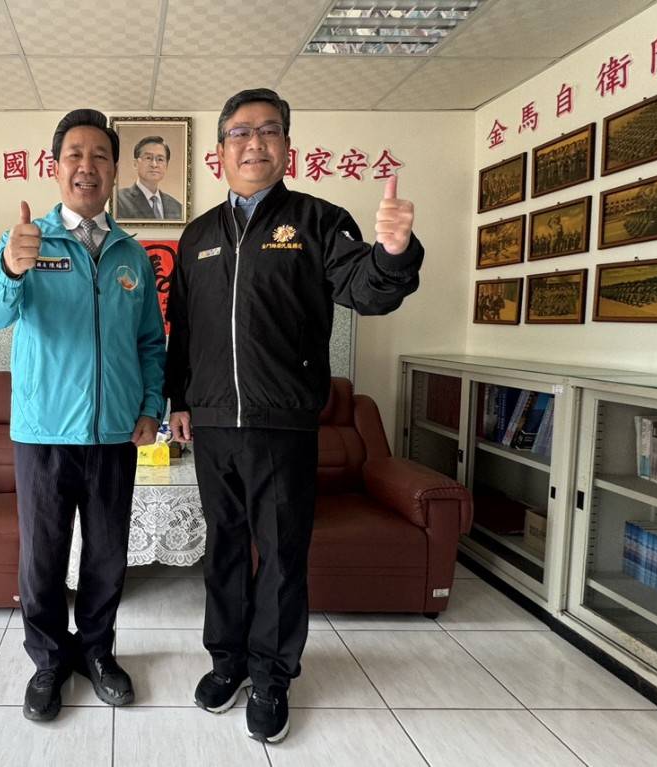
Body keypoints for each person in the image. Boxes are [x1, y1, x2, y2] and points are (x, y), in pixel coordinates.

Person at [164, 88, 423, 744]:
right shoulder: (197, 236)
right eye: (240, 132)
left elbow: (365, 289)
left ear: (286, 147)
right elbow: (183, 329)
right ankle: (227, 662)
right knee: (223, 549)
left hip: (283, 423)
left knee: (280, 554)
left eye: (269, 130)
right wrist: (178, 400)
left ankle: (272, 675)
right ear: (219, 151)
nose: (254, 142)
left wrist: (393, 253)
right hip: (213, 423)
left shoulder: (318, 221)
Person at [0, 109, 166, 723]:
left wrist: (150, 408)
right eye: (75, 155)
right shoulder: (29, 242)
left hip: (114, 435)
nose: (87, 166)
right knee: (43, 558)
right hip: (44, 433)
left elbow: (151, 343)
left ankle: (98, 652)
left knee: (108, 556)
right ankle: (50, 661)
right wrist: (8, 266)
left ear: (114, 170)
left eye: (100, 155)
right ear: (55, 169)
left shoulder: (132, 255)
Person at [116, 136, 183, 219]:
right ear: (135, 164)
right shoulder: (119, 200)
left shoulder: (177, 207)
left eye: (160, 159)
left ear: (166, 165)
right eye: (148, 158)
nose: (154, 165)